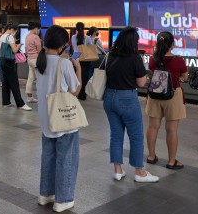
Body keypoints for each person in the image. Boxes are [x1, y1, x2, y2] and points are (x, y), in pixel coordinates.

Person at [35, 25, 82, 213]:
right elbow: (75, 91)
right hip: (63, 119)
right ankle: (63, 199)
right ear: (63, 45)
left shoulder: (40, 62)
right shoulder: (64, 64)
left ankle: (45, 194)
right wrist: (78, 68)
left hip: (46, 118)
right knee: (66, 158)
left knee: (48, 156)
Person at [103, 26, 158, 182]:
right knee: (136, 136)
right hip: (127, 98)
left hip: (109, 97)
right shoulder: (135, 58)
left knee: (116, 135)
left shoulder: (110, 55)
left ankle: (117, 170)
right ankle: (139, 172)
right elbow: (140, 83)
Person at [145, 31, 188, 170]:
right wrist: (179, 77)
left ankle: (151, 156)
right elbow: (185, 77)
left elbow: (153, 72)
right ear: (172, 44)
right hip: (173, 95)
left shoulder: (153, 59)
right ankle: (171, 161)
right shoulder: (178, 60)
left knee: (152, 126)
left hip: (155, 94)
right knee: (171, 129)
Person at [0, 24, 32, 111]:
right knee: (14, 82)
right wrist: (18, 46)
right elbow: (14, 50)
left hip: (3, 60)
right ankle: (20, 103)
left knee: (5, 82)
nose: (14, 33)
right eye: (14, 31)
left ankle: (6, 102)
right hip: (10, 62)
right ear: (11, 29)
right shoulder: (9, 37)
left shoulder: (2, 37)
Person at [71, 22, 93, 100]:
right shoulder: (87, 38)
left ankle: (74, 93)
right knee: (84, 77)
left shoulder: (73, 37)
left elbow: (73, 48)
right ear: (84, 28)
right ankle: (82, 95)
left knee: (75, 76)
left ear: (76, 29)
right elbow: (91, 48)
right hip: (84, 58)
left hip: (75, 57)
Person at [25, 22, 42, 103]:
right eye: (39, 29)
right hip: (36, 60)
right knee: (40, 78)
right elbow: (39, 51)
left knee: (30, 79)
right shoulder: (36, 37)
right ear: (36, 28)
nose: (39, 30)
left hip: (29, 59)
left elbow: (26, 49)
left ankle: (29, 97)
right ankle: (41, 96)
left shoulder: (27, 36)